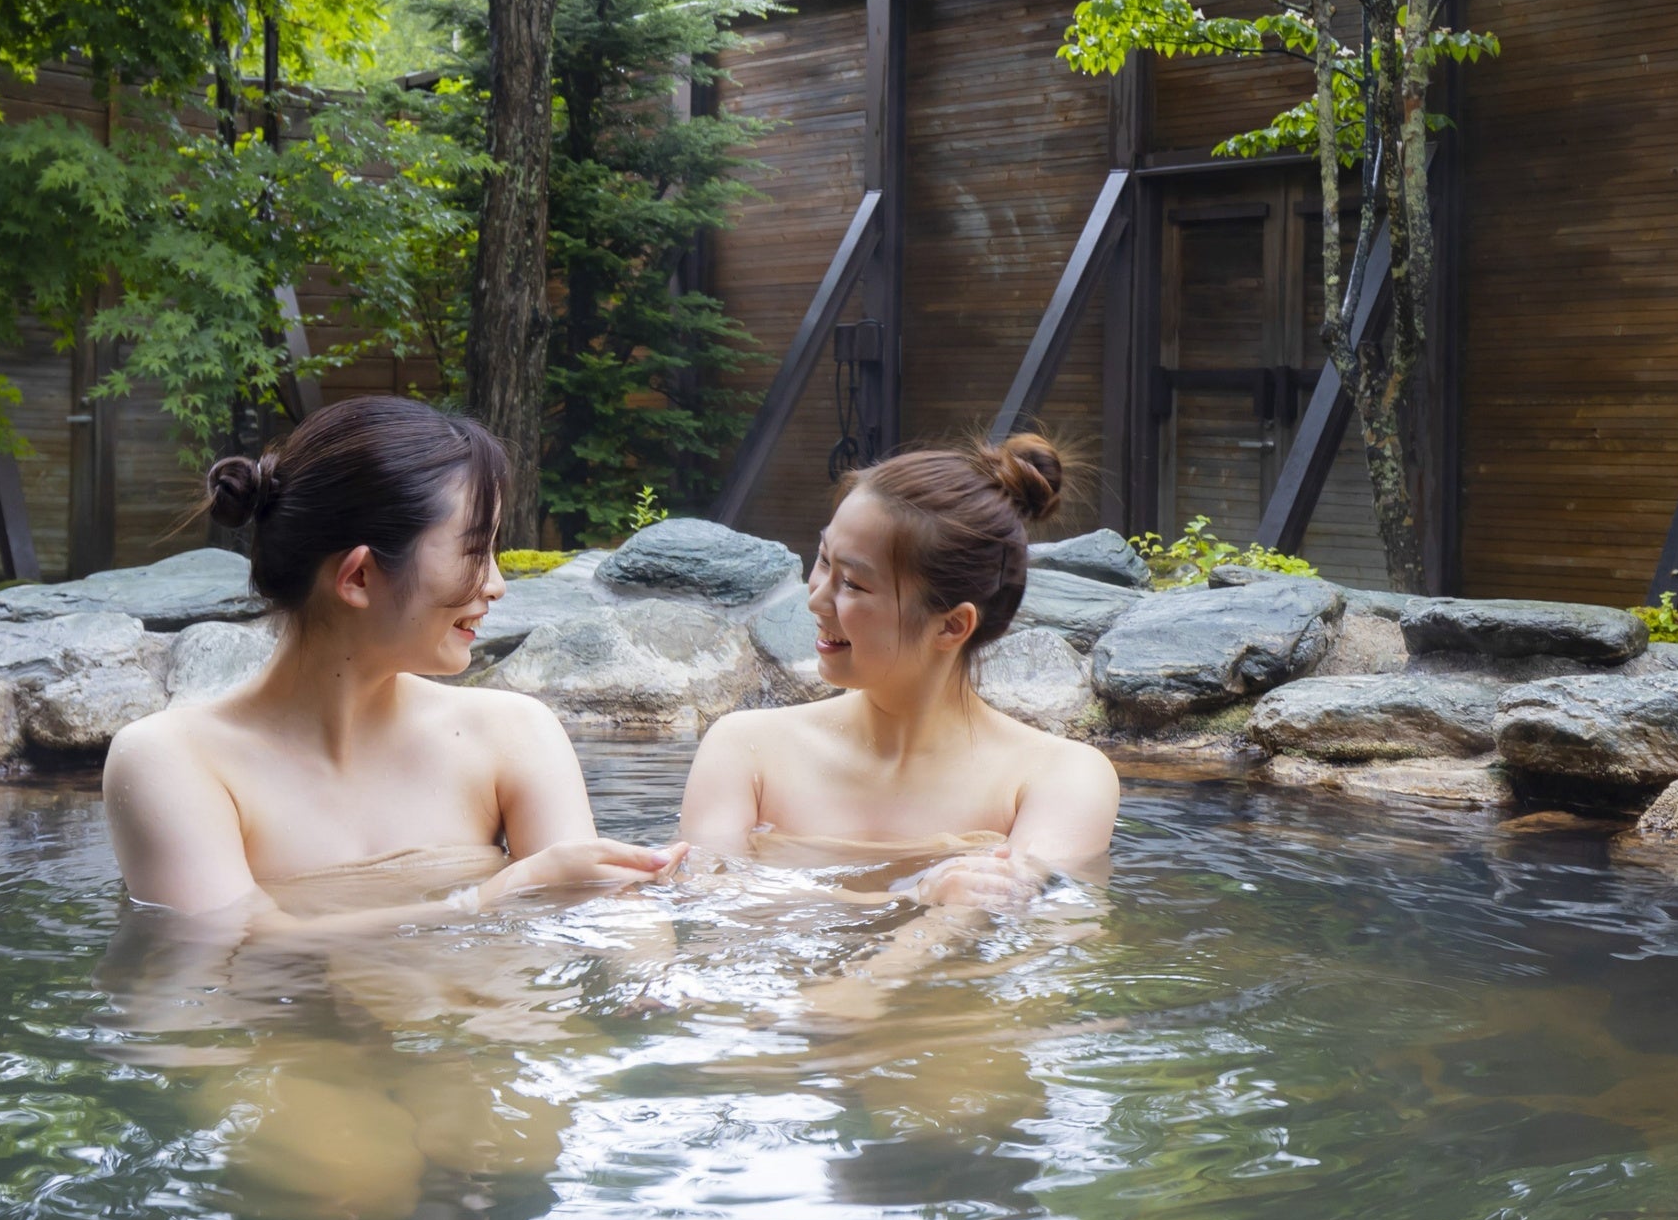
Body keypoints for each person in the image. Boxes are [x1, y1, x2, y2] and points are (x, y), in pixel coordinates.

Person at [103, 395, 671, 925]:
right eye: (476, 550)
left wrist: (656, 992)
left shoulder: (516, 735)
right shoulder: (174, 762)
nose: (496, 585)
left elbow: (603, 917)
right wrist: (490, 897)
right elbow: (227, 950)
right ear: (360, 577)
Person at [676, 435, 1121, 911]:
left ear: (951, 625)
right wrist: (914, 897)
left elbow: (1038, 955)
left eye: (852, 583)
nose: (816, 599)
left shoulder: (1057, 779)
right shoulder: (745, 750)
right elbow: (705, 905)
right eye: (823, 559)